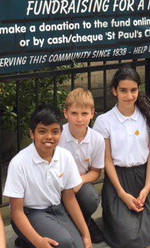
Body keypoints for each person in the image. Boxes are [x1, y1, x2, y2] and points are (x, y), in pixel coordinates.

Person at [93, 65, 150, 248]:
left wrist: (148, 187)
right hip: (118, 180)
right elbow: (107, 161)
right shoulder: (104, 121)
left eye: (133, 90)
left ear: (139, 90)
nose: (129, 95)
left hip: (143, 178)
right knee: (129, 238)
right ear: (114, 91)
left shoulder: (147, 116)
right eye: (123, 90)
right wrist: (121, 193)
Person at [5, 105, 91, 248]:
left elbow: (69, 197)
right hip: (32, 212)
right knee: (63, 242)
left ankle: (29, 241)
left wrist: (86, 234)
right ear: (32, 133)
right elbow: (17, 211)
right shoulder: (19, 163)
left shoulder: (65, 156)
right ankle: (29, 239)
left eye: (55, 131)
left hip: (57, 209)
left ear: (61, 133)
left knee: (78, 245)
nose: (49, 137)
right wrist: (37, 241)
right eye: (42, 131)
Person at [59, 88, 106, 243]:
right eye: (74, 113)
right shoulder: (58, 135)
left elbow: (96, 172)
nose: (79, 119)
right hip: (56, 182)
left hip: (79, 182)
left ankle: (85, 221)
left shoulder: (97, 140)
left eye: (84, 114)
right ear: (66, 113)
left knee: (91, 198)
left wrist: (80, 180)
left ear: (92, 114)